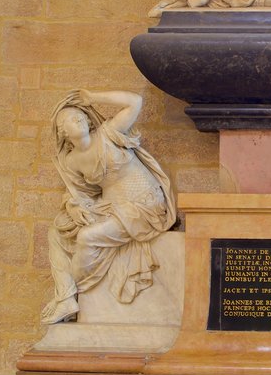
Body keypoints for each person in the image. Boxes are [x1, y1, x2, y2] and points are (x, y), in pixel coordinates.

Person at [41, 89, 177, 324]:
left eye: (81, 116)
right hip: (110, 206)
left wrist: (92, 97)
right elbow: (78, 193)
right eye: (72, 119)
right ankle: (66, 297)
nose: (80, 119)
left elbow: (135, 102)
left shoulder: (108, 133)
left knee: (86, 238)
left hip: (143, 205)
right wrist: (74, 206)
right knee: (57, 233)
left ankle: (69, 295)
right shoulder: (71, 161)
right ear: (63, 133)